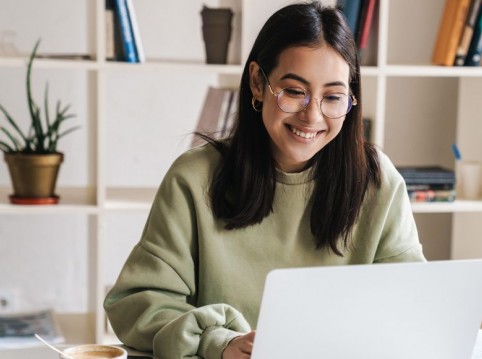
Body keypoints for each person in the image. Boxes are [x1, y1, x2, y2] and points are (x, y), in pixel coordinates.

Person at [104, 2, 425, 358]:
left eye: (332, 97)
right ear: (258, 82)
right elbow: (136, 303)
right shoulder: (194, 179)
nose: (312, 116)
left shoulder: (378, 181)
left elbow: (410, 305)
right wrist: (220, 342)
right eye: (293, 91)